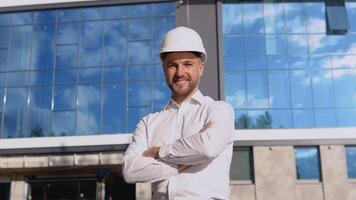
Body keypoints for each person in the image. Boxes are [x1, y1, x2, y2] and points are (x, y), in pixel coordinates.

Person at [122, 26, 235, 200]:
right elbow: (130, 171)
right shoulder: (148, 123)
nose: (180, 73)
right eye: (172, 66)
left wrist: (159, 152)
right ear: (164, 70)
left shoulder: (218, 110)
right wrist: (181, 162)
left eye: (187, 64)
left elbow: (207, 147)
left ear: (201, 68)